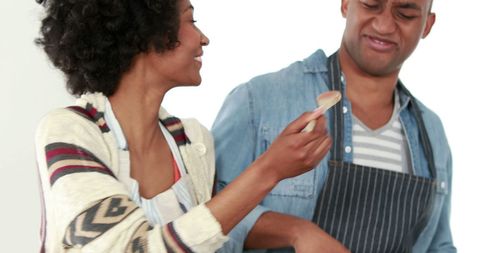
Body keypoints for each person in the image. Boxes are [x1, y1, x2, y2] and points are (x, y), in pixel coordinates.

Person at [33, 0, 338, 252]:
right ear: (148, 32)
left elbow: (213, 229)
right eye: (191, 20)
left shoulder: (192, 141)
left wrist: (298, 231)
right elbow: (132, 248)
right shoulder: (70, 133)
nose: (203, 38)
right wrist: (269, 170)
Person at [212, 0, 456, 252]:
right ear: (346, 4)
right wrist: (296, 232)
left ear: (427, 25)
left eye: (405, 14)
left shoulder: (431, 132)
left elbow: (439, 245)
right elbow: (205, 221)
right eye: (371, 5)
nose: (384, 25)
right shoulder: (259, 100)